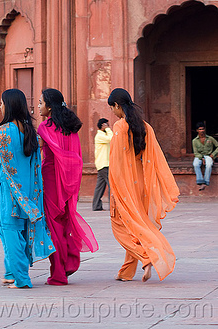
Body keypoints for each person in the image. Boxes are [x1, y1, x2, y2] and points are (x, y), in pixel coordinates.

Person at [0, 89, 55, 288]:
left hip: (8, 191)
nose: (0, 107)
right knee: (19, 232)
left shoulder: (2, 132)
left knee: (8, 231)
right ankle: (11, 272)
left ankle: (22, 279)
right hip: (27, 191)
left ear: (8, 106)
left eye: (2, 103)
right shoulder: (30, 132)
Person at [108, 88, 179, 282]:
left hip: (124, 185)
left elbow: (116, 162)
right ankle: (126, 272)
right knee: (136, 225)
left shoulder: (119, 127)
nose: (113, 112)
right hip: (141, 186)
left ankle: (146, 257)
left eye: (112, 108)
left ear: (117, 106)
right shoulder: (145, 126)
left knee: (120, 227)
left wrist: (114, 189)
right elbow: (155, 159)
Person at [37, 88, 98, 285]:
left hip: (51, 180)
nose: (38, 106)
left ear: (49, 106)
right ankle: (69, 263)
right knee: (64, 223)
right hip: (68, 181)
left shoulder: (45, 127)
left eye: (40, 103)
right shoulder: (69, 127)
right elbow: (75, 156)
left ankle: (58, 274)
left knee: (53, 227)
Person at [92, 118, 113, 211]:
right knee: (111, 185)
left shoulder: (102, 135)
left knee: (100, 186)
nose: (108, 126)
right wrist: (108, 129)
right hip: (104, 164)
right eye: (107, 124)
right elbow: (112, 138)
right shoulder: (100, 136)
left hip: (102, 164)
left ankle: (96, 206)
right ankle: (113, 205)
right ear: (103, 125)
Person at [192, 122, 218, 191]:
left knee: (209, 164)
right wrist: (202, 158)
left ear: (205, 129)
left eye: (203, 129)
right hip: (199, 156)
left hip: (208, 155)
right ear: (197, 130)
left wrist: (213, 154)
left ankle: (206, 182)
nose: (202, 131)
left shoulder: (210, 138)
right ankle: (200, 181)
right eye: (200, 129)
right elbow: (196, 152)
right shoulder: (194, 141)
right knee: (195, 164)